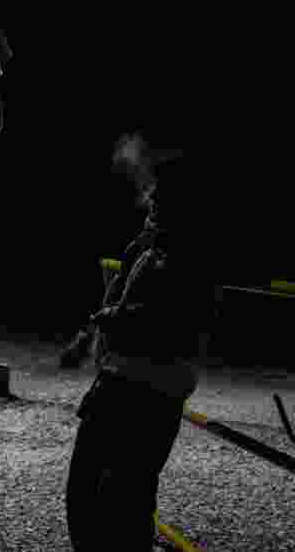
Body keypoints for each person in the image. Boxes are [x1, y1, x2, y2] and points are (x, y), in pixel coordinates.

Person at [65, 151, 207, 551]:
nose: (152, 198)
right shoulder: (152, 242)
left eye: (162, 192)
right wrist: (94, 330)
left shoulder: (185, 252)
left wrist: (112, 319)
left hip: (142, 389)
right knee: (112, 496)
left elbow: (162, 319)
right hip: (127, 382)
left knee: (109, 497)